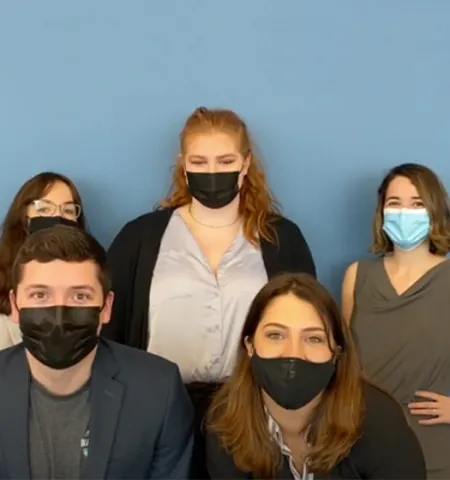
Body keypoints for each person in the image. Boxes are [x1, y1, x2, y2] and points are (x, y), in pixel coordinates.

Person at [102, 107, 316, 477]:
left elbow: (308, 328)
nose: (213, 171)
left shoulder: (283, 239)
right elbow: (109, 329)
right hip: (157, 406)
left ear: (245, 164)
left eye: (226, 160)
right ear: (183, 165)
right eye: (199, 160)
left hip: (253, 409)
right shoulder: (140, 238)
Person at [0, 225, 194, 479]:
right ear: (15, 306)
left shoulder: (160, 389)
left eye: (79, 296)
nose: (59, 315)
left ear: (106, 307)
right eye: (40, 295)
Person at [206, 273, 426, 479]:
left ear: (336, 351)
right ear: (250, 345)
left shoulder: (380, 421)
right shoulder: (225, 422)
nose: (293, 353)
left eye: (314, 339)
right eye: (275, 335)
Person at [341, 163, 450, 479]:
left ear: (435, 210)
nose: (405, 213)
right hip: (362, 446)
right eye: (395, 203)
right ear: (382, 212)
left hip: (436, 454)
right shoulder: (357, 277)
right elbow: (340, 363)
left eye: (417, 204)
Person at [0, 171, 87, 351]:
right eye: (44, 209)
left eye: (68, 210)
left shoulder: (89, 275)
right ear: (23, 215)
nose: (58, 216)